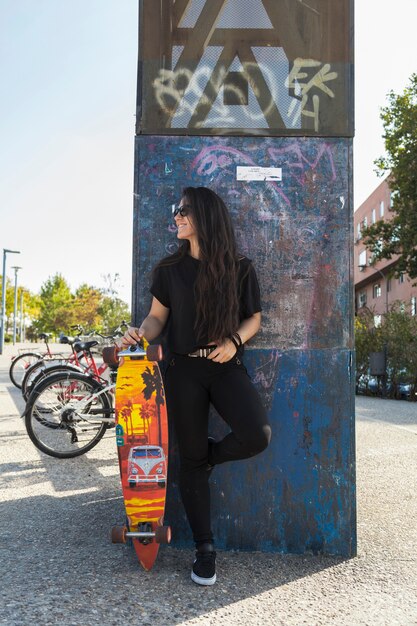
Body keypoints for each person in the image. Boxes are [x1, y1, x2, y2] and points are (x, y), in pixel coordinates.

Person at [119, 186, 271, 586]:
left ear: (204, 215)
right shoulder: (169, 270)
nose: (176, 217)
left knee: (257, 435)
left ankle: (205, 459)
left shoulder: (240, 268)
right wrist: (142, 334)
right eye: (175, 211)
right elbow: (156, 319)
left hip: (225, 367)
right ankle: (205, 550)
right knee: (188, 461)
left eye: (183, 211)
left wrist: (234, 341)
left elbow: (253, 318)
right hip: (181, 371)